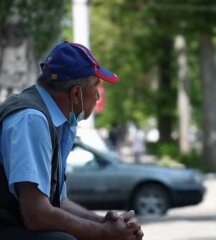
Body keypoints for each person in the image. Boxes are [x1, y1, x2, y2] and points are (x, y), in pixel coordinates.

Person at [0, 41, 144, 240]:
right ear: (76, 93)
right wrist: (104, 234)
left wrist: (102, 223)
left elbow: (58, 203)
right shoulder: (32, 119)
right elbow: (36, 215)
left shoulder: (57, 120)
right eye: (96, 86)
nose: (97, 96)